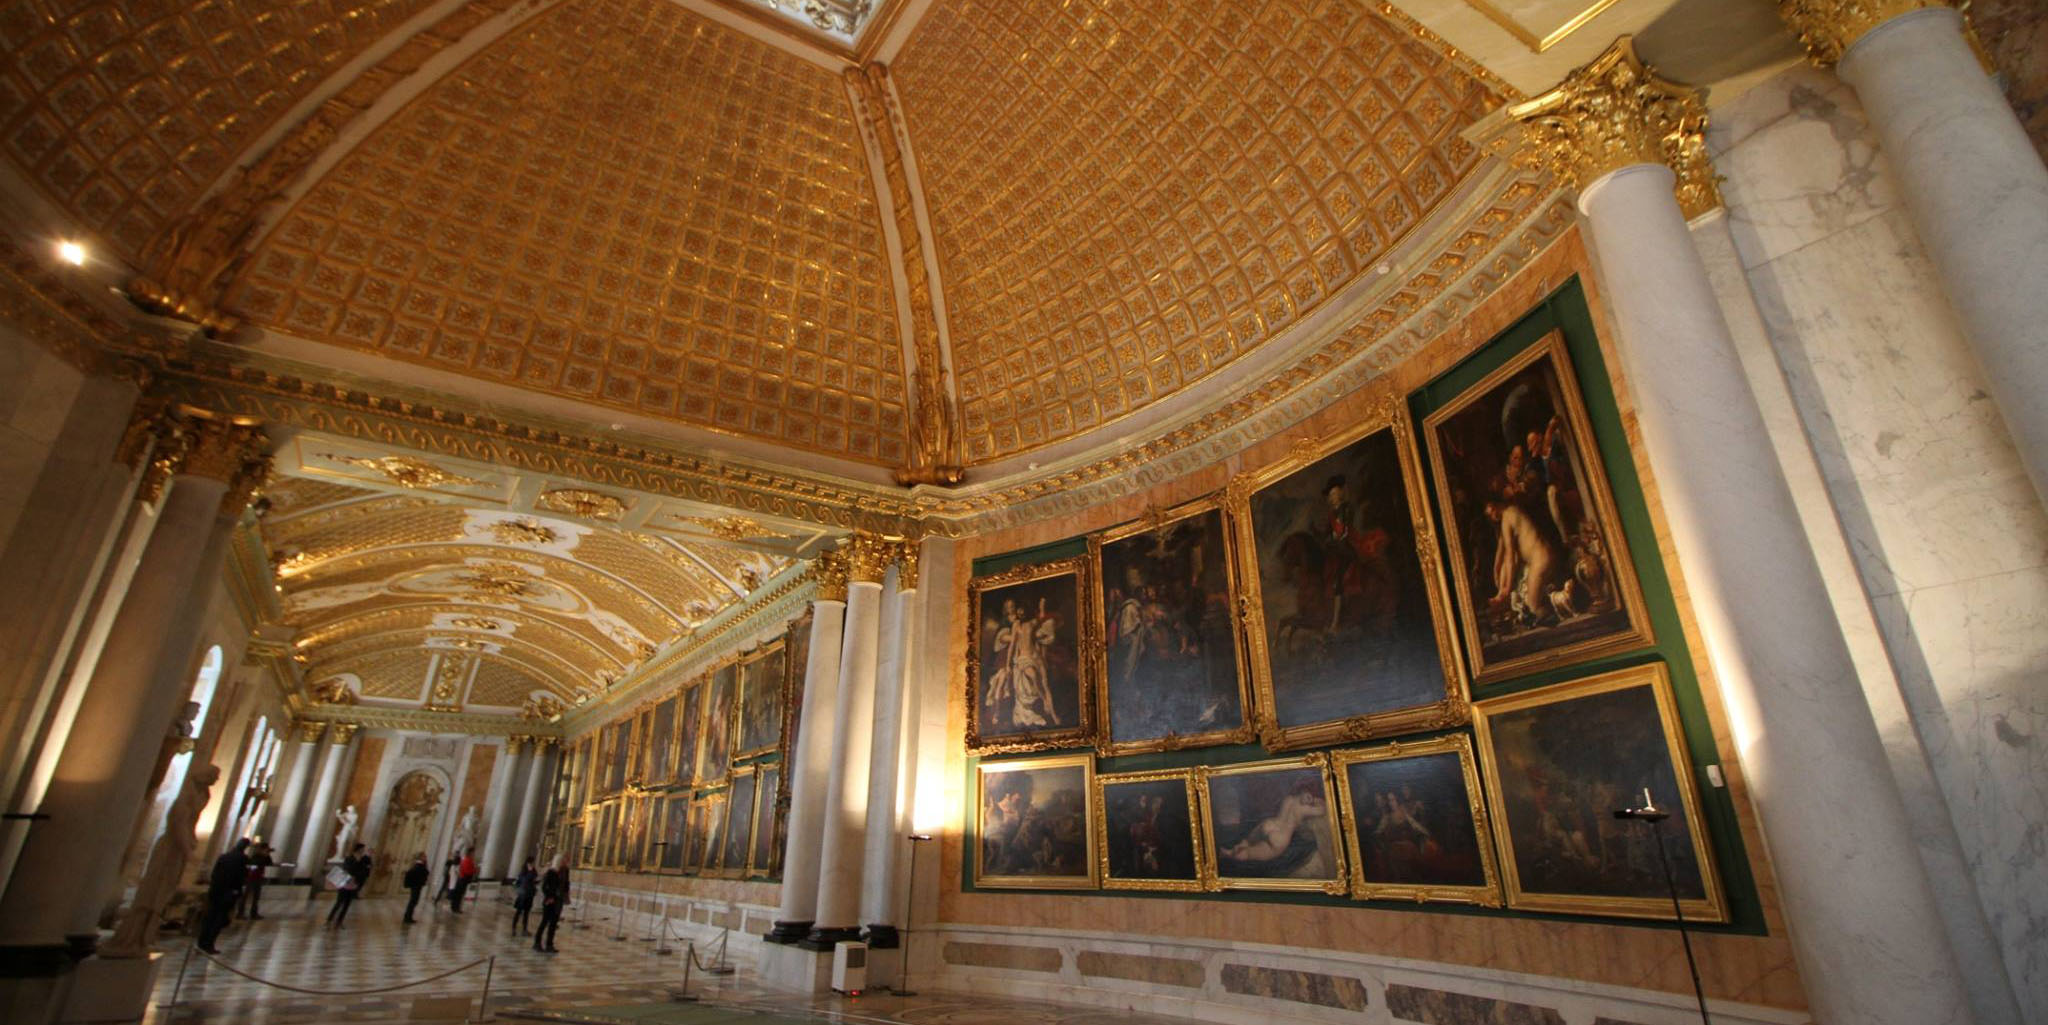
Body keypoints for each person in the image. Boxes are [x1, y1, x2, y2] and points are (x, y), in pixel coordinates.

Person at [196, 837, 250, 954]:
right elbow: (241, 876)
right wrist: (236, 890)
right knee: (219, 919)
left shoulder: (224, 856)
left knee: (210, 916)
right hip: (228, 892)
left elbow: (215, 873)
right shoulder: (242, 859)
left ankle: (201, 942)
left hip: (216, 890)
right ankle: (209, 943)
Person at [327, 844, 371, 927]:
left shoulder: (364, 860)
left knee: (347, 904)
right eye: (362, 849)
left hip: (354, 884)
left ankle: (339, 921)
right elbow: (348, 869)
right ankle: (329, 919)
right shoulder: (349, 858)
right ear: (358, 849)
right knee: (339, 902)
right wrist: (357, 871)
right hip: (345, 883)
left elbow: (365, 871)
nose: (363, 851)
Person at [532, 854, 569, 953]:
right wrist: (550, 897)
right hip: (550, 901)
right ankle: (537, 943)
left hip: (558, 901)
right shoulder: (551, 872)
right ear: (559, 862)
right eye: (564, 861)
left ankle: (549, 944)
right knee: (544, 922)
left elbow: (565, 886)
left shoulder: (562, 873)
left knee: (553, 924)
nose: (566, 862)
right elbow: (544, 887)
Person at [238, 840, 273, 920]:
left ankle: (253, 913)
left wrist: (267, 855)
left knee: (256, 897)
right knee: (245, 896)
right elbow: (254, 865)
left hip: (258, 878)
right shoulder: (255, 856)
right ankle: (240, 913)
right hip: (251, 878)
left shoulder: (264, 857)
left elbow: (269, 863)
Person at [510, 859, 538, 935]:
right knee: (518, 912)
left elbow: (534, 879)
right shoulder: (523, 873)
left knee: (526, 913)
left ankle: (524, 929)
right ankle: (514, 928)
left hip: (529, 894)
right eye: (531, 864)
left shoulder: (533, 872)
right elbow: (524, 880)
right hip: (523, 895)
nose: (532, 865)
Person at [402, 853, 430, 924]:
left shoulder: (420, 865)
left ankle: (408, 917)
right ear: (420, 857)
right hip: (416, 885)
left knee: (414, 901)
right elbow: (413, 874)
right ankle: (407, 918)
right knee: (413, 901)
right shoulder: (418, 865)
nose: (426, 858)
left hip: (417, 885)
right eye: (424, 857)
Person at [449, 848, 477, 913]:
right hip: (463, 879)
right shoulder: (467, 860)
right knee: (459, 894)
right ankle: (456, 908)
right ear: (470, 853)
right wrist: (475, 870)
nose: (474, 855)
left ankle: (454, 907)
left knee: (458, 894)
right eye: (473, 853)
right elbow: (467, 871)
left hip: (463, 879)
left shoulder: (467, 860)